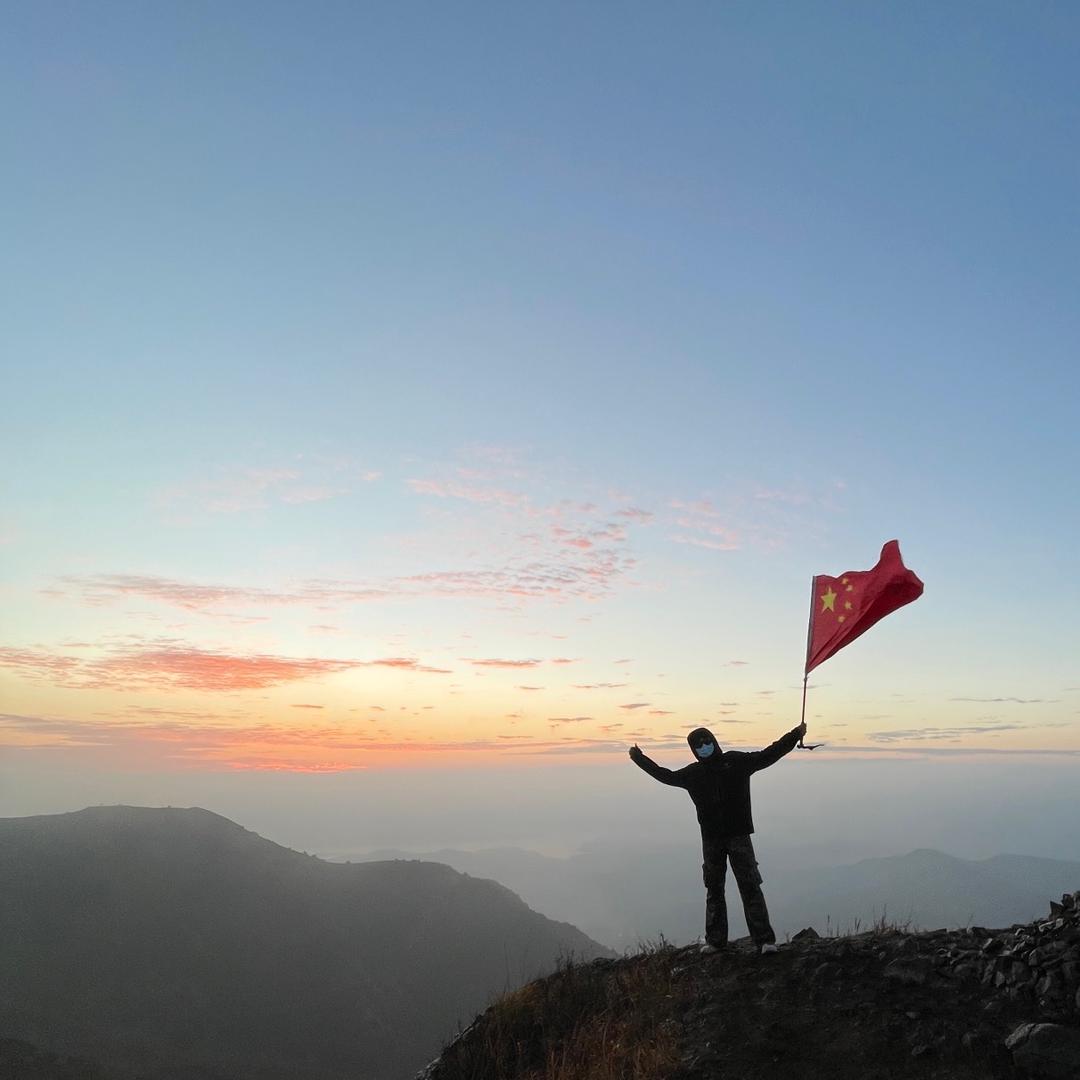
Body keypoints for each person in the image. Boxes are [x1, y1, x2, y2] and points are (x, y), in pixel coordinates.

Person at [628, 721, 806, 955]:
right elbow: (665, 775)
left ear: (714, 741)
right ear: (694, 749)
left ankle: (761, 941)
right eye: (699, 744)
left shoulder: (733, 763)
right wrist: (639, 758)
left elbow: (769, 754)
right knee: (720, 888)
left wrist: (794, 735)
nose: (704, 746)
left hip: (732, 837)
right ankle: (724, 941)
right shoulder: (701, 772)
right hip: (716, 839)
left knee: (745, 886)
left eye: (706, 741)